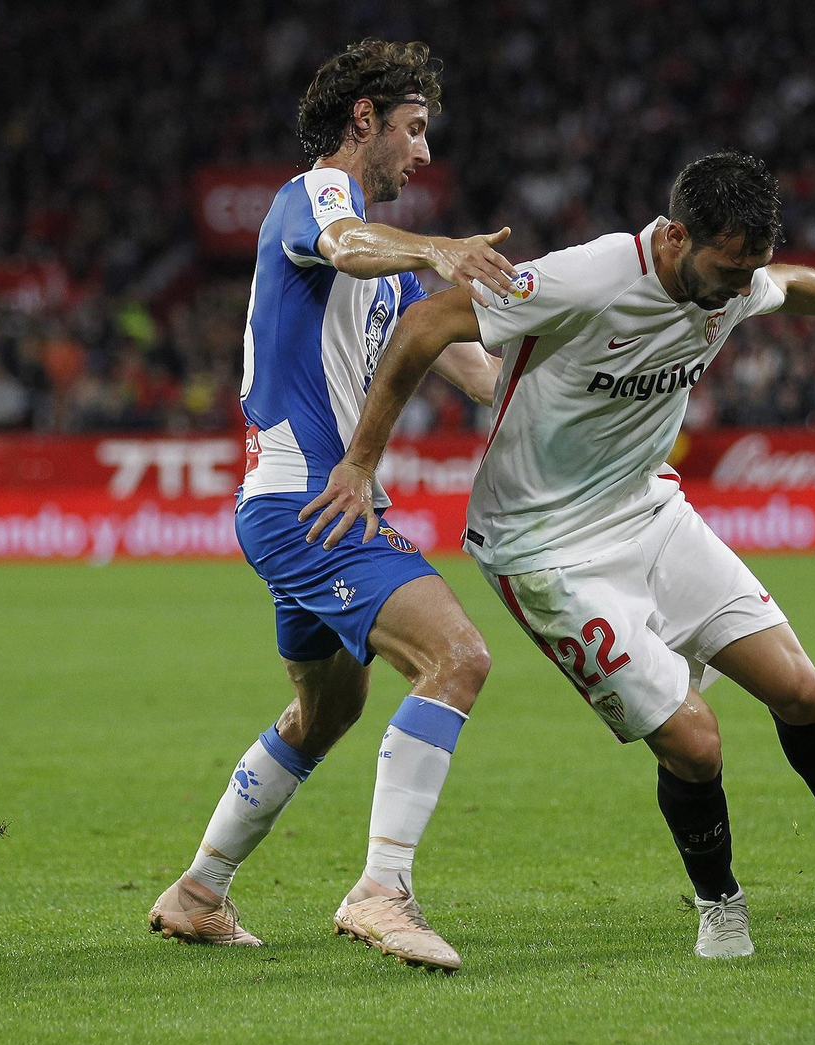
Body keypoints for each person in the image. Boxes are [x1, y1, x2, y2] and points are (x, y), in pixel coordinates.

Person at [296, 151, 815, 958]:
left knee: (799, 690)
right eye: (729, 267)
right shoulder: (589, 277)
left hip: (649, 511)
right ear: (678, 237)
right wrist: (361, 461)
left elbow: (790, 285)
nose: (741, 285)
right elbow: (426, 324)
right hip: (543, 545)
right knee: (695, 741)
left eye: (749, 267)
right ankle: (721, 906)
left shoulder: (735, 278)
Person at [148, 39, 521, 971]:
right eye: (413, 129)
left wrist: (601, 343)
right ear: (365, 120)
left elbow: (484, 376)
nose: (424, 152)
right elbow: (345, 244)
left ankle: (198, 892)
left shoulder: (391, 273)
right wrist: (438, 247)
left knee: (326, 711)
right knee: (457, 658)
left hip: (308, 509)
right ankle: (381, 891)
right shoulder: (314, 198)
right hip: (308, 504)